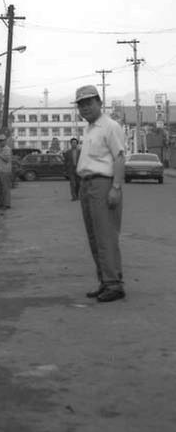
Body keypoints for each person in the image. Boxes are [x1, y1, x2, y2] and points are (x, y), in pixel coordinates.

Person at [74, 85, 126, 303]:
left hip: (103, 184)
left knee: (106, 235)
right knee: (94, 237)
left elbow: (120, 158)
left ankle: (115, 284)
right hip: (87, 185)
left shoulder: (110, 126)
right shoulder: (89, 129)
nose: (85, 108)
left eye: (89, 103)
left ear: (99, 103)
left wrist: (116, 187)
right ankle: (105, 281)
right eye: (81, 104)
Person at [0, 133, 12, 209]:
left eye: (2, 140)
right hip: (0, 171)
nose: (1, 142)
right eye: (0, 141)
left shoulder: (7, 149)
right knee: (1, 188)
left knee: (5, 188)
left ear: (5, 141)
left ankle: (6, 204)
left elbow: (7, 159)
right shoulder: (1, 149)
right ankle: (1, 203)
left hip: (5, 171)